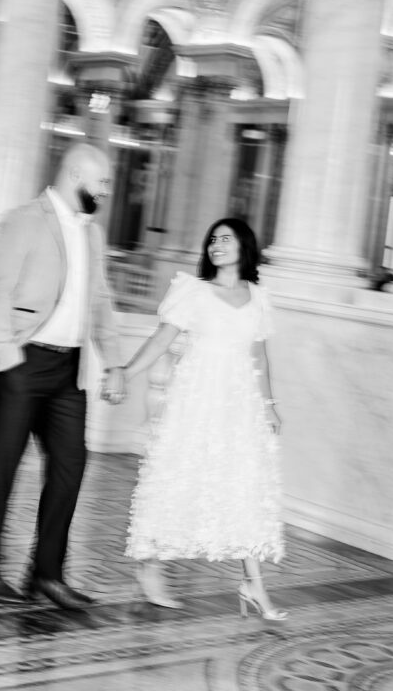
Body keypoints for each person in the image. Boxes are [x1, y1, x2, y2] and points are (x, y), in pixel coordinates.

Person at [0, 142, 127, 613]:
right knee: (3, 466)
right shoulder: (25, 219)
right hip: (22, 360)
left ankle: (47, 575)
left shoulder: (92, 234)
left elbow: (99, 302)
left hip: (68, 371)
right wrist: (7, 358)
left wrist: (113, 360)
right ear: (77, 174)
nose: (107, 191)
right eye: (103, 182)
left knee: (70, 466)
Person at [115, 216, 286, 621]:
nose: (216, 245)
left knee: (243, 486)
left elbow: (258, 356)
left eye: (225, 239)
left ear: (244, 246)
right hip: (194, 401)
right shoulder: (192, 292)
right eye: (212, 240)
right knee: (177, 478)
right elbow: (161, 340)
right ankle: (150, 566)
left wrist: (269, 405)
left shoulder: (258, 298)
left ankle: (254, 585)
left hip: (239, 405)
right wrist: (124, 371)